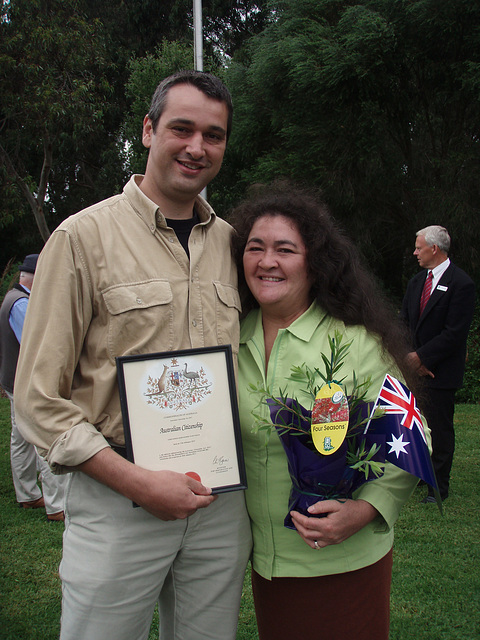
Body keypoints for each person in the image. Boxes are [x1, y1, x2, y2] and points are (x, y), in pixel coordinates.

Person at [14, 71, 251, 640]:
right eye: (182, 128)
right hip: (119, 502)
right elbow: (37, 399)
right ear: (149, 130)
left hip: (221, 507)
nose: (197, 147)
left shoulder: (233, 245)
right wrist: (137, 483)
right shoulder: (80, 239)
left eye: (213, 135)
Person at [229, 183, 425, 640]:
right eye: (255, 248)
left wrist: (366, 509)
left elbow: (413, 438)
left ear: (314, 262)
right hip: (269, 566)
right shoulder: (226, 340)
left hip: (346, 562)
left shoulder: (356, 344)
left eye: (285, 249)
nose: (267, 261)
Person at [400, 225, 475, 503]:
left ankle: (437, 488)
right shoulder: (417, 282)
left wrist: (421, 358)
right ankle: (421, 475)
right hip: (414, 371)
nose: (415, 252)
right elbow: (404, 324)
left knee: (440, 431)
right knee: (416, 426)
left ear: (434, 249)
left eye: (419, 247)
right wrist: (410, 359)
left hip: (440, 372)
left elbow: (454, 333)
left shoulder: (461, 284)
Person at [0, 254, 66, 522]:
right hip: (27, 381)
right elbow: (37, 345)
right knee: (42, 439)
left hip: (14, 379)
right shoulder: (22, 304)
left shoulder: (10, 299)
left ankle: (27, 494)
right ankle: (56, 505)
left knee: (21, 439)